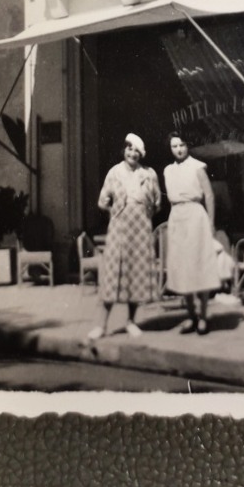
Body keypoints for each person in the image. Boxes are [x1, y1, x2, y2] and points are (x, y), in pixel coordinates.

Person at [87, 132, 161, 342]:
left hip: (140, 229)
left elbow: (157, 203)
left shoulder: (149, 174)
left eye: (137, 150)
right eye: (129, 149)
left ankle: (131, 322)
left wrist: (143, 214)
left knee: (136, 274)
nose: (132, 153)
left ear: (141, 154)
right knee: (112, 275)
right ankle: (101, 325)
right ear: (124, 150)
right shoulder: (114, 172)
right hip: (119, 228)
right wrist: (115, 212)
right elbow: (102, 201)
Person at [163, 131, 222, 335]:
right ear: (170, 149)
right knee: (182, 269)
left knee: (199, 266)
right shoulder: (168, 171)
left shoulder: (197, 167)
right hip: (177, 217)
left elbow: (209, 195)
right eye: (174, 146)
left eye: (182, 145)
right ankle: (191, 316)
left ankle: (204, 316)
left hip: (196, 217)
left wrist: (212, 223)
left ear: (187, 146)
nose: (179, 149)